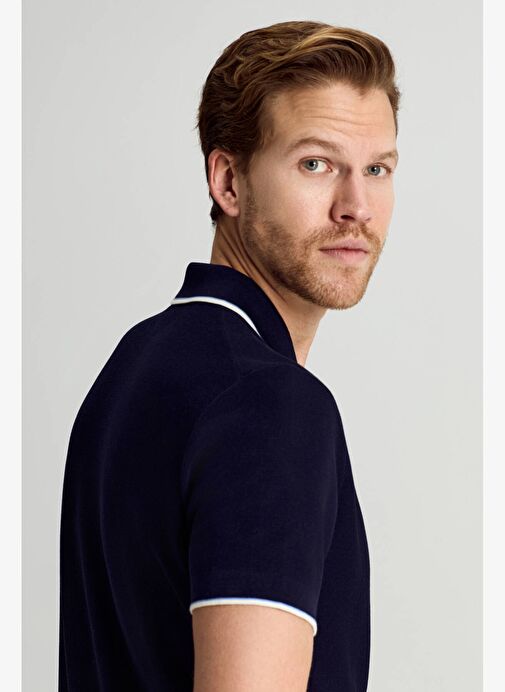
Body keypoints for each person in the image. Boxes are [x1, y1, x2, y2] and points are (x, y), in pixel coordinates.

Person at [58, 19, 400, 692]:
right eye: (315, 164)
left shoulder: (132, 369)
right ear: (229, 182)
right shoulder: (270, 404)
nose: (356, 207)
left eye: (377, 169)